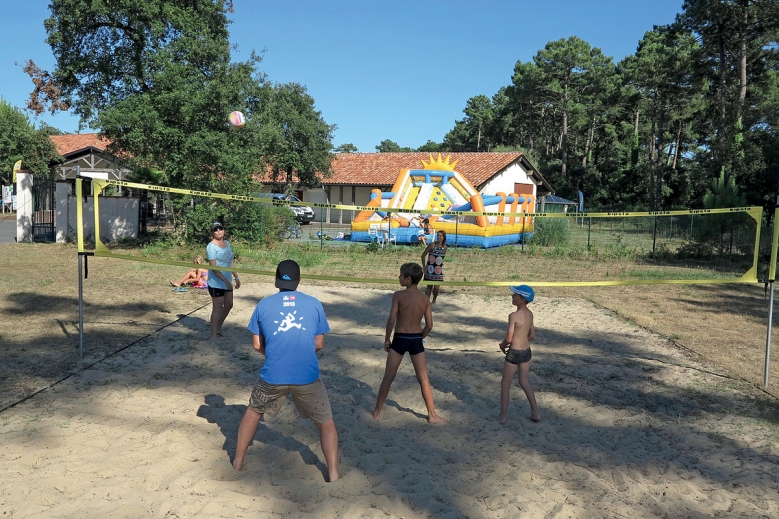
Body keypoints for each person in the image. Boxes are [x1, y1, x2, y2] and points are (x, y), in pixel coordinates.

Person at [233, 260, 339, 482]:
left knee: (253, 412)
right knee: (326, 422)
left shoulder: (263, 305)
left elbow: (256, 344)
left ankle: (238, 462)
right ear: (300, 280)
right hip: (307, 376)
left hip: (273, 375)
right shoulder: (314, 304)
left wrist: (275, 355)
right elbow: (319, 344)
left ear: (276, 280)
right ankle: (333, 473)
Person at [372, 262, 445, 424]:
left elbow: (391, 320)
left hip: (400, 339)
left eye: (401, 275)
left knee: (388, 377)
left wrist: (386, 338)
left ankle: (377, 412)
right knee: (423, 378)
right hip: (415, 340)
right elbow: (430, 325)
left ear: (409, 279)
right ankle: (432, 415)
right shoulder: (425, 299)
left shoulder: (398, 295)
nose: (399, 277)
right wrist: (420, 338)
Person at [498, 285, 541, 425]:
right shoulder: (530, 314)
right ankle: (535, 412)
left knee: (506, 383)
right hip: (526, 352)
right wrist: (523, 341)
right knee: (524, 381)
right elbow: (532, 335)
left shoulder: (513, 316)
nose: (512, 296)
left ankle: (503, 416)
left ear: (522, 300)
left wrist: (502, 345)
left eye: (515, 295)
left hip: (514, 352)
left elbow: (509, 339)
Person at [206, 222, 240, 340]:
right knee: (218, 306)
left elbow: (230, 262)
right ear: (213, 233)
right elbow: (214, 268)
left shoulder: (227, 244)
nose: (219, 231)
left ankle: (219, 328)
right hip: (216, 282)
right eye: (216, 230)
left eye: (221, 229)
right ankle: (213, 334)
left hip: (227, 281)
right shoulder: (211, 246)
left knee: (229, 305)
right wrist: (226, 282)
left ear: (224, 231)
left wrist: (236, 277)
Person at [421, 230, 448, 303]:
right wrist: (424, 267)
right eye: (438, 235)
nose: (438, 237)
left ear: (443, 237)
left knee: (436, 288)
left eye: (440, 236)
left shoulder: (445, 247)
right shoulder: (432, 245)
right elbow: (423, 256)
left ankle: (434, 300)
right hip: (430, 269)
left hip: (439, 270)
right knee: (429, 287)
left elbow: (441, 259)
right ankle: (426, 302)